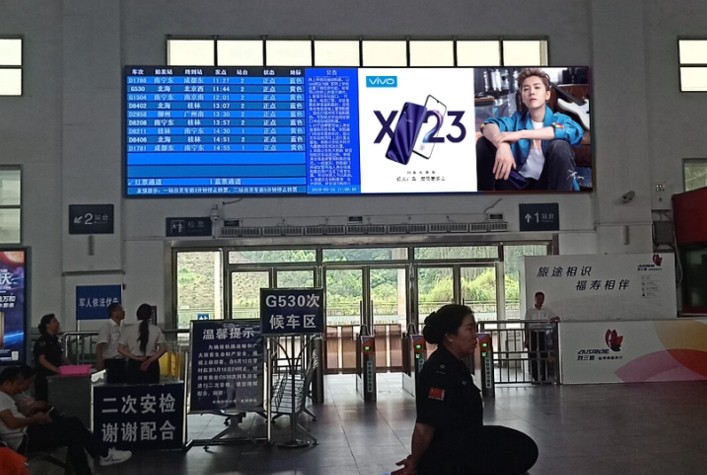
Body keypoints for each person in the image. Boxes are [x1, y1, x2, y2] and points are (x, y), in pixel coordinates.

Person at [393, 304, 538, 475]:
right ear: (449, 336)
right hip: (449, 462)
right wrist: (415, 463)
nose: (475, 335)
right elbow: (425, 428)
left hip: (467, 455)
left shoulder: (457, 366)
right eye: (469, 329)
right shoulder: (438, 371)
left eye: (475, 328)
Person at [0, 366, 132, 474]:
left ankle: (88, 469)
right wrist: (34, 418)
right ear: (7, 383)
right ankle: (104, 454)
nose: (19, 387)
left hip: (28, 434)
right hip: (25, 439)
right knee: (72, 422)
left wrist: (29, 416)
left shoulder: (6, 397)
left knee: (73, 436)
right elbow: (12, 423)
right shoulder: (1, 397)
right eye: (17, 384)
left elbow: (12, 420)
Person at [476, 67, 584, 191]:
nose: (532, 92)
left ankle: (560, 200)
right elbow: (487, 125)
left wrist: (521, 134)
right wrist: (501, 144)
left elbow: (573, 131)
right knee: (484, 142)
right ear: (522, 97)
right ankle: (485, 198)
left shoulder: (560, 119)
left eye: (537, 87)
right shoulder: (516, 120)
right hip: (519, 184)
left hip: (549, 184)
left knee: (560, 146)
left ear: (547, 95)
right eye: (526, 89)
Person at [118, 303, 167, 384]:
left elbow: (120, 349)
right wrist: (149, 361)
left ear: (137, 314)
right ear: (150, 316)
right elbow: (163, 349)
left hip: (133, 364)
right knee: (152, 389)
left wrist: (136, 358)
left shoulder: (128, 330)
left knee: (134, 389)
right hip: (152, 364)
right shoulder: (156, 329)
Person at [32, 313, 70, 402]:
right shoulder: (43, 340)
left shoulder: (55, 340)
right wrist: (56, 370)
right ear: (47, 325)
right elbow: (42, 359)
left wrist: (72, 366)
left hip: (55, 377)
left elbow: (61, 356)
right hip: (45, 377)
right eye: (54, 321)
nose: (58, 323)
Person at [524, 291, 560, 383]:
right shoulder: (530, 311)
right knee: (532, 355)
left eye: (542, 299)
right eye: (538, 298)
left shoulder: (547, 310)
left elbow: (555, 317)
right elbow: (526, 325)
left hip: (542, 333)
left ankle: (544, 377)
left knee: (544, 355)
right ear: (535, 299)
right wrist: (526, 338)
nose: (540, 300)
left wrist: (553, 319)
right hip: (532, 333)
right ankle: (535, 377)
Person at [96, 302, 127, 383]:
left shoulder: (122, 327)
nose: (123, 312)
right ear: (113, 312)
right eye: (121, 310)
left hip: (121, 360)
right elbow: (100, 346)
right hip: (110, 361)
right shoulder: (106, 326)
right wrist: (100, 361)